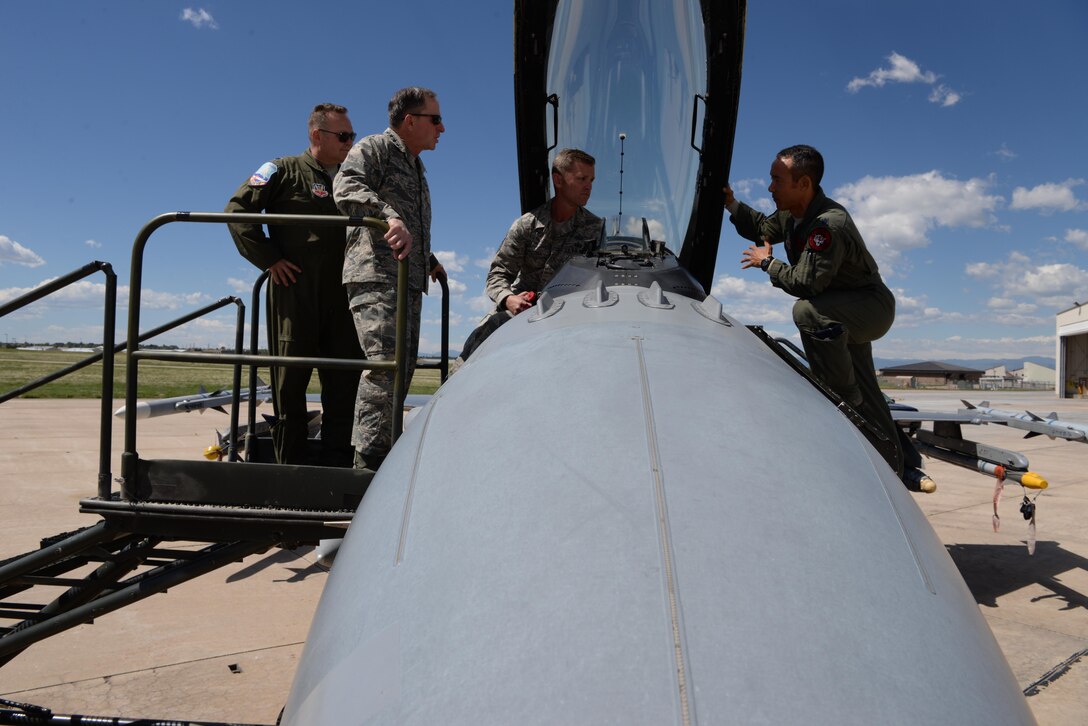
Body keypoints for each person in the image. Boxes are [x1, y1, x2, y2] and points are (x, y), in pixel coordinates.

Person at [725, 144, 932, 491]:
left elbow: (806, 283)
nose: (770, 187)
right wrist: (730, 202)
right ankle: (895, 465)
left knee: (806, 311)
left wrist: (767, 263)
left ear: (803, 183)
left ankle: (839, 402)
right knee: (869, 391)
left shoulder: (827, 226)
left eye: (777, 180)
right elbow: (762, 226)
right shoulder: (792, 214)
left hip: (868, 308)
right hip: (842, 312)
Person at [226, 103, 362, 467]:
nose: (351, 142)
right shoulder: (283, 170)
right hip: (295, 294)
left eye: (352, 135)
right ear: (318, 135)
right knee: (289, 388)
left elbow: (389, 217)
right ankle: (290, 472)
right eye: (344, 135)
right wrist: (268, 259)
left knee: (344, 387)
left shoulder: (355, 177)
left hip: (345, 297)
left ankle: (338, 474)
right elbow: (238, 213)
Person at [334, 87, 446, 473]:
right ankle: (366, 464)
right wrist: (387, 215)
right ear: (411, 121)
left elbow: (407, 225)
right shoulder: (375, 147)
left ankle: (384, 456)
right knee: (384, 366)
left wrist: (427, 258)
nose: (442, 128)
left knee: (403, 368)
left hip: (407, 279)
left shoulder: (415, 165)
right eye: (435, 119)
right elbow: (346, 186)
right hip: (376, 275)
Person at [459, 148, 603, 359]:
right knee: (473, 350)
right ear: (558, 180)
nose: (589, 186)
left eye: (591, 180)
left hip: (567, 315)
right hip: (519, 311)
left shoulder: (596, 230)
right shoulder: (526, 225)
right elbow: (498, 274)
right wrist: (508, 299)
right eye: (582, 179)